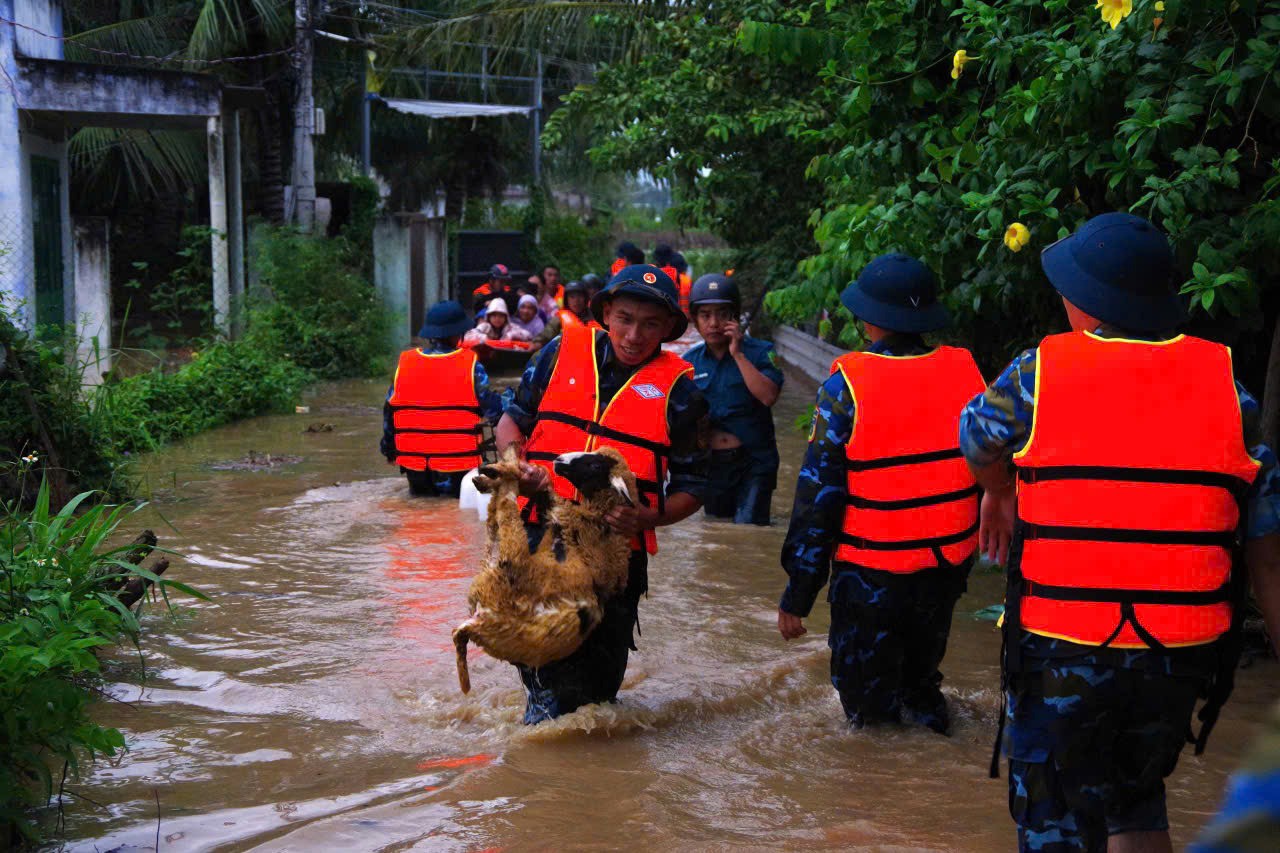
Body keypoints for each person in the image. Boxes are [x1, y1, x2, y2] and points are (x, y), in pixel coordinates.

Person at [960, 212, 1280, 853]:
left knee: (1055, 820)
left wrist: (999, 493)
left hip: (1063, 646)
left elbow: (974, 438)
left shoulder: (1036, 373)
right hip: (1178, 658)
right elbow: (1266, 551)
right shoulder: (1229, 391)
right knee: (1136, 807)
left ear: (1086, 303)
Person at [777, 253, 986, 735]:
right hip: (944, 569)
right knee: (919, 682)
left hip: (872, 576)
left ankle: (877, 793)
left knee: (868, 710)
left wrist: (798, 594)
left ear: (868, 319)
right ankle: (934, 755)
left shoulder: (845, 385)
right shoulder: (966, 372)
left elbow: (818, 499)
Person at [494, 264, 710, 723]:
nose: (635, 335)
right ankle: (549, 761)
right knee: (540, 666)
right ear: (606, 312)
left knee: (596, 689)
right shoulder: (558, 353)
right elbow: (512, 421)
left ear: (670, 329)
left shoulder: (683, 395)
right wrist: (518, 466)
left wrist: (647, 518)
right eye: (625, 319)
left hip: (614, 556)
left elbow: (695, 488)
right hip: (538, 539)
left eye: (651, 324)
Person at [682, 273, 784, 525]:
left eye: (722, 314)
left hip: (754, 462)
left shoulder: (761, 352)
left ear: (735, 317)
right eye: (705, 315)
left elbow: (768, 396)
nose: (714, 323)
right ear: (695, 321)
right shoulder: (689, 362)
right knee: (718, 534)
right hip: (713, 466)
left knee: (748, 530)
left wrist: (737, 354)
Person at [381, 300, 504, 497]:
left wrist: (388, 449)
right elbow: (493, 410)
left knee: (418, 511)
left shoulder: (405, 363)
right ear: (458, 333)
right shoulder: (471, 365)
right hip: (459, 463)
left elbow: (389, 412)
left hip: (415, 465)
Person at [530, 279, 596, 350]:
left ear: (585, 299)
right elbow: (545, 335)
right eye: (572, 297)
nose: (576, 301)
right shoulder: (559, 319)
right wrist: (537, 343)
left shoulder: (595, 316)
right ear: (566, 300)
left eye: (580, 296)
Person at [463, 298, 533, 347]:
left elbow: (529, 335)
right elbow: (468, 336)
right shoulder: (485, 326)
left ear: (506, 317)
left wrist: (511, 335)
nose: (497, 319)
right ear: (489, 316)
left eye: (501, 316)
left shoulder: (510, 327)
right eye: (494, 315)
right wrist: (485, 339)